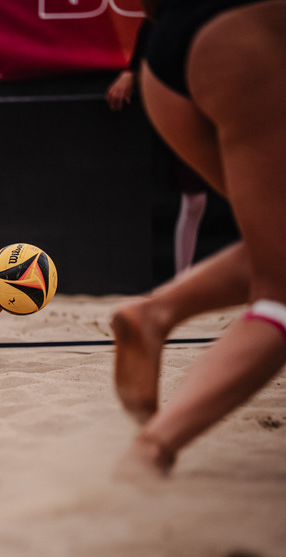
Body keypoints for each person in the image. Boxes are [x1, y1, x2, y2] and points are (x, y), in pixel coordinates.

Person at [112, 0, 286, 478]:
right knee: (280, 290)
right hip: (242, 32)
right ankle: (153, 448)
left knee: (276, 244)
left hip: (165, 52)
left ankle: (157, 311)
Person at [106, 16, 210, 274]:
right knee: (195, 199)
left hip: (219, 99)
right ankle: (182, 278)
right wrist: (131, 70)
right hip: (188, 100)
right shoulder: (169, 17)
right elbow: (154, 24)